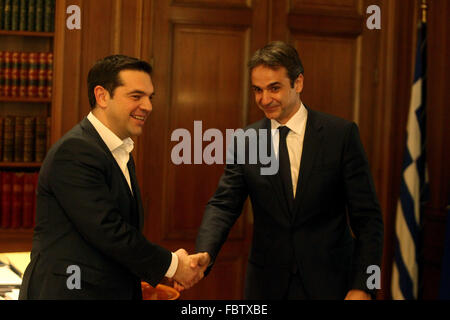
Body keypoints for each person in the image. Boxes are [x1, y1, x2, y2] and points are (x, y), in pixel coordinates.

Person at [194, 41, 384, 299]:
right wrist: (205, 251)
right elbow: (224, 205)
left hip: (331, 284)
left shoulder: (341, 135)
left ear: (298, 83)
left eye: (274, 88)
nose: (264, 99)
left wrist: (364, 285)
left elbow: (368, 219)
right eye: (257, 90)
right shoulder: (246, 140)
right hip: (267, 285)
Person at [19, 55, 207, 300]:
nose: (148, 106)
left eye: (150, 97)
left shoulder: (120, 150)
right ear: (102, 96)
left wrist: (174, 265)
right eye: (136, 96)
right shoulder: (75, 151)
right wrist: (174, 266)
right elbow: (108, 230)